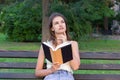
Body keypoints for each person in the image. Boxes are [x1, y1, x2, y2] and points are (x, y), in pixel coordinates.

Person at [35, 12, 80, 80]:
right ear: (52, 28)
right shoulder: (46, 46)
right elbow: (37, 72)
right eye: (56, 23)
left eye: (62, 22)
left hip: (66, 76)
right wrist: (51, 70)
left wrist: (65, 44)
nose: (60, 25)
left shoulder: (73, 44)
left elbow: (75, 67)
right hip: (51, 75)